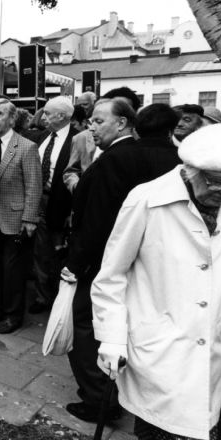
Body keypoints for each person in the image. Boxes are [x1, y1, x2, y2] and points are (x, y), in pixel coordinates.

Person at [91, 123, 221, 440]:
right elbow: (112, 276)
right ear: (192, 171)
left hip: (212, 352)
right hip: (160, 350)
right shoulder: (147, 199)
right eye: (219, 183)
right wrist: (111, 337)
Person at [62, 100, 180, 423]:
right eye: (91, 121)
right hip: (153, 260)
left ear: (124, 123)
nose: (91, 127)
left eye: (99, 121)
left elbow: (98, 218)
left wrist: (76, 263)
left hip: (105, 260)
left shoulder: (118, 158)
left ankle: (99, 399)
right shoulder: (175, 158)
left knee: (85, 323)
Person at [0, 98, 42, 334]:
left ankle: (13, 314)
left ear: (12, 118)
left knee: (13, 270)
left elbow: (34, 185)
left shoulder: (26, 147)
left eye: (0, 114)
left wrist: (29, 218)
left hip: (15, 218)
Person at [30, 96, 78, 315]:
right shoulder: (41, 137)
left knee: (59, 252)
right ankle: (42, 296)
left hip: (61, 203)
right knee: (40, 251)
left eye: (47, 113)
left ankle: (61, 299)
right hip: (37, 199)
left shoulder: (77, 140)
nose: (43, 117)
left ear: (62, 116)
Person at [63, 86, 141, 193]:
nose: (92, 128)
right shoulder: (82, 137)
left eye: (125, 107)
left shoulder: (140, 143)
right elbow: (71, 171)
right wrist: (78, 188)